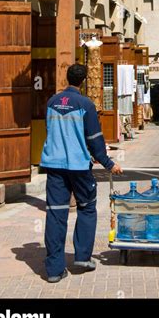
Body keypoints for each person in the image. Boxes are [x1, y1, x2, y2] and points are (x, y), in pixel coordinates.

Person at [40, 63, 123, 283]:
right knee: (87, 208)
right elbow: (95, 139)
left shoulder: (51, 102)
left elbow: (52, 132)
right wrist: (108, 163)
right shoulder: (85, 104)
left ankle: (54, 270)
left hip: (54, 166)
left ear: (67, 78)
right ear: (83, 81)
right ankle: (83, 257)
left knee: (56, 213)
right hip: (78, 166)